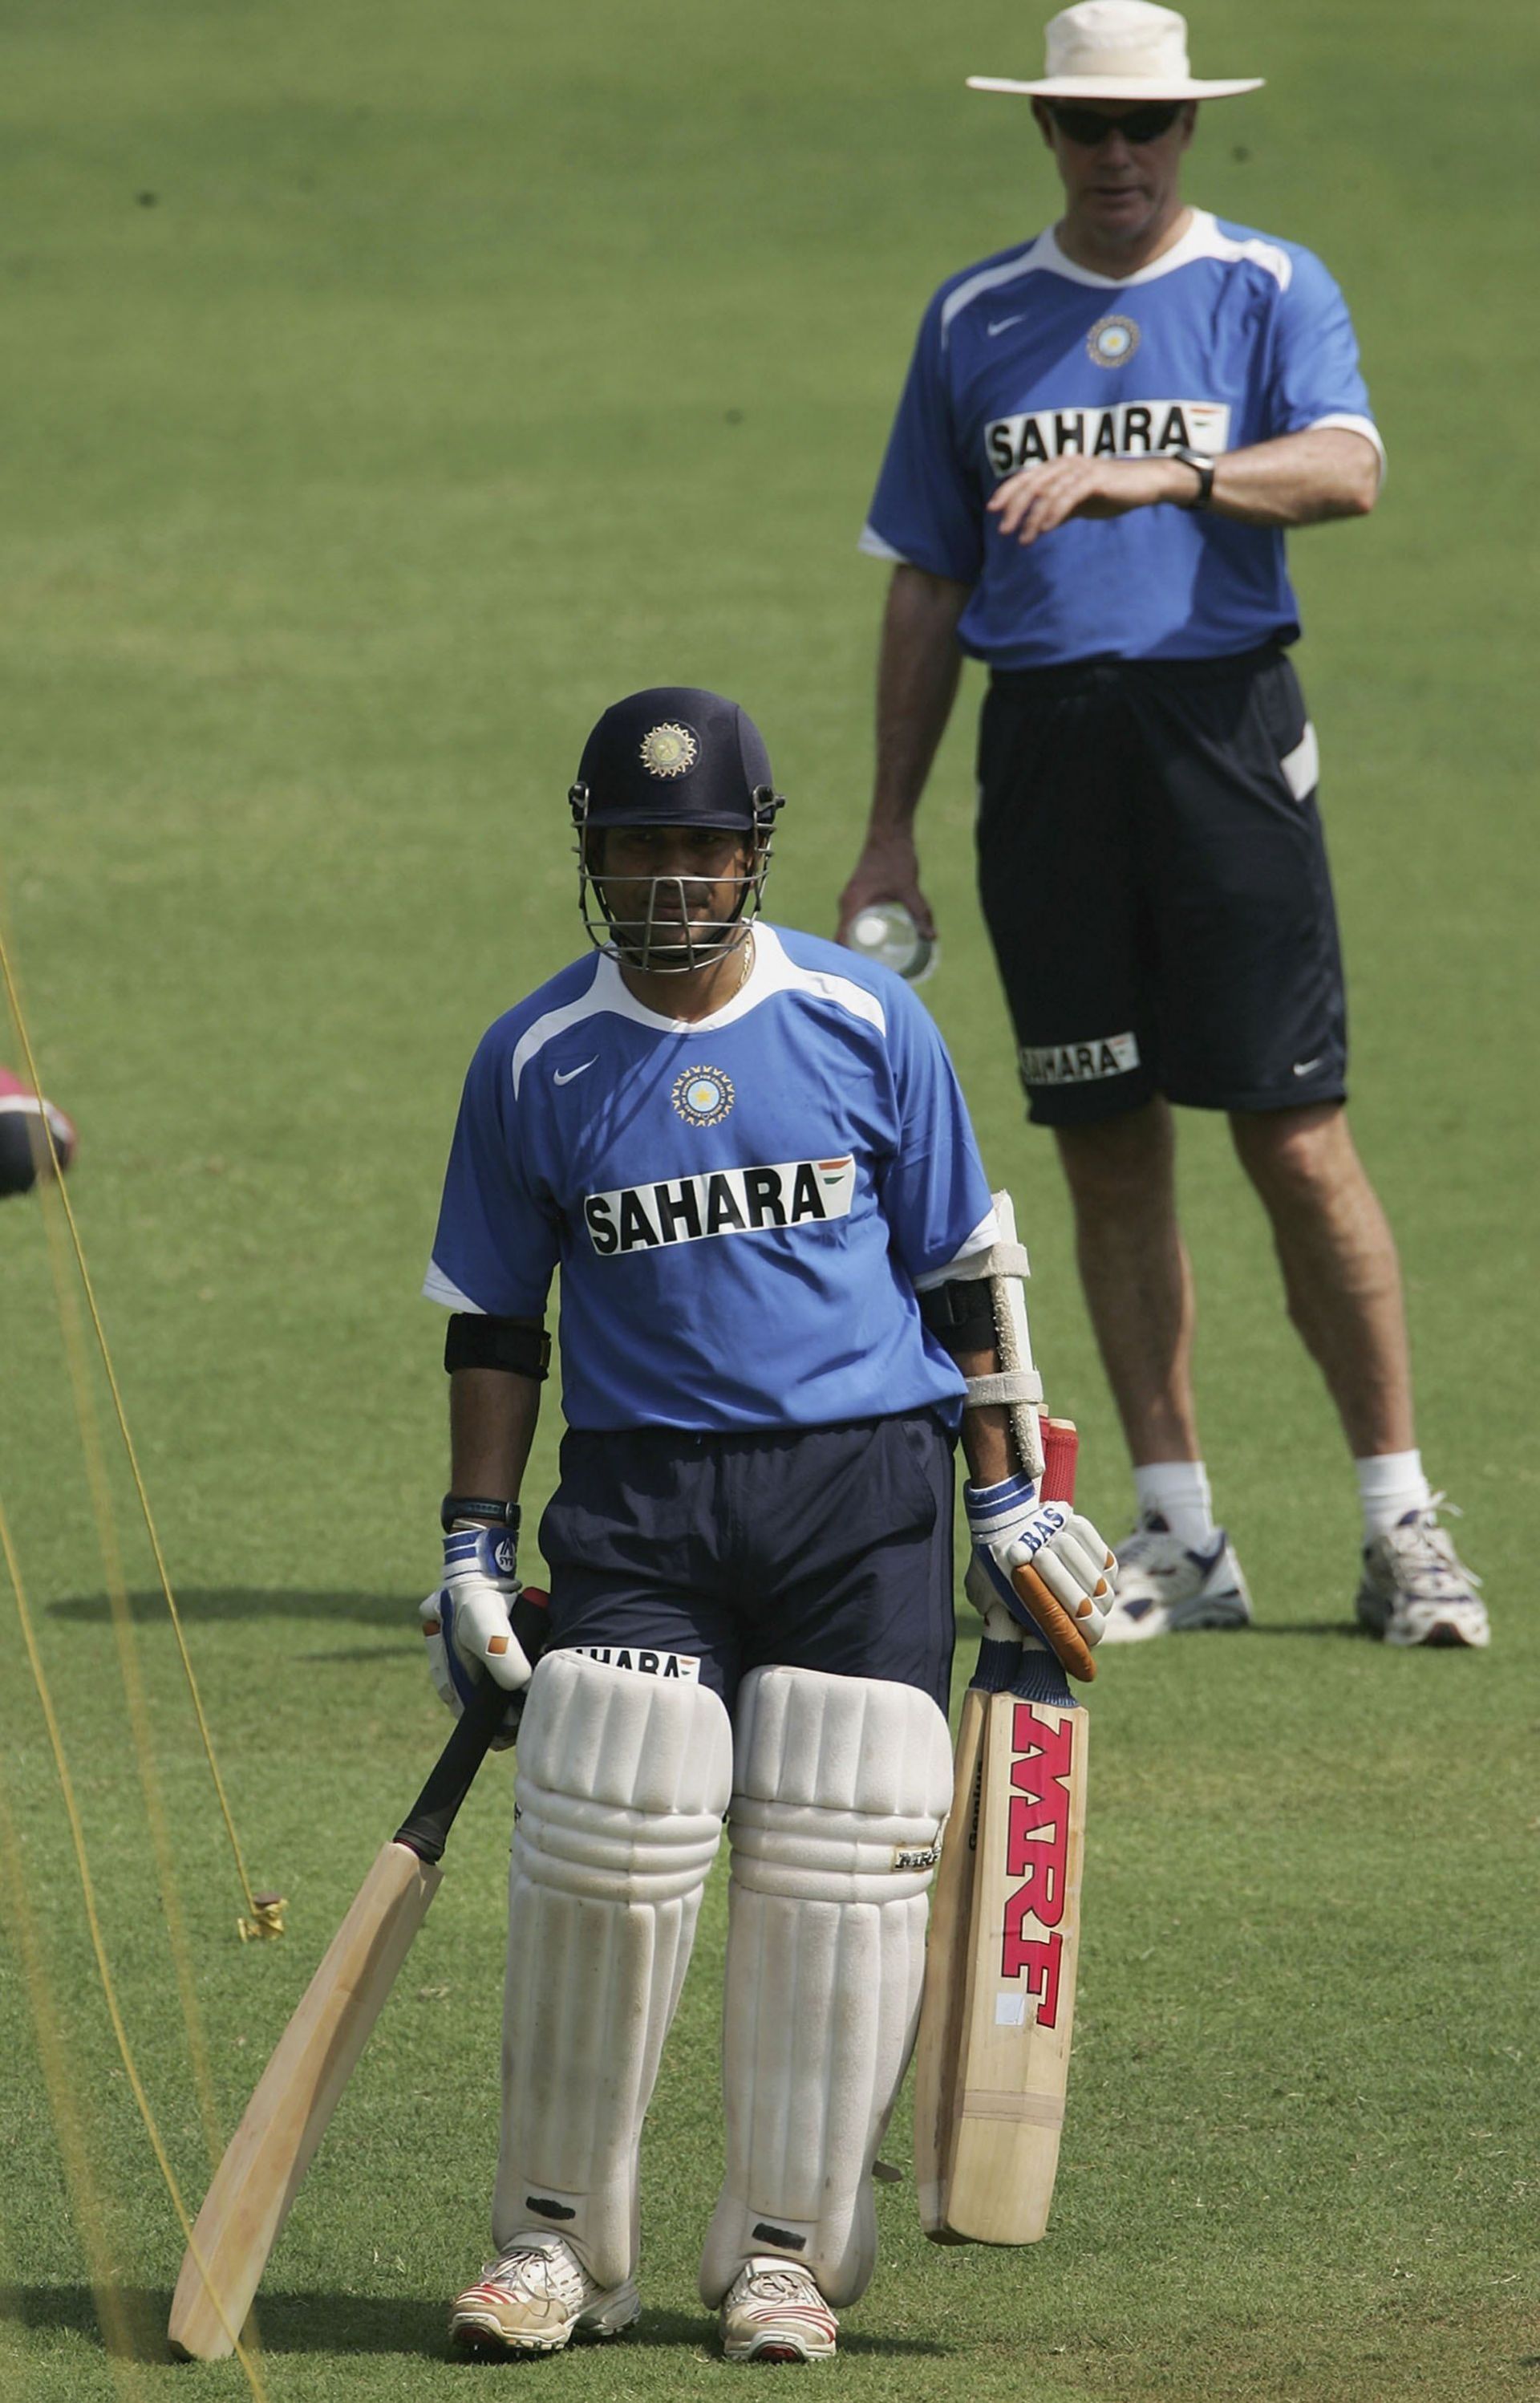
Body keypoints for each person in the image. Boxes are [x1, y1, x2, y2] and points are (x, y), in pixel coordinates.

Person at [417, 686, 1113, 2362]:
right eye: (642, 849)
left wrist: (1008, 1500)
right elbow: (498, 1323)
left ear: (755, 856)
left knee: (841, 1859)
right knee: (605, 1831)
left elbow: (970, 1271)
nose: (673, 883)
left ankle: (786, 2253)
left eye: (703, 849)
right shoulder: (535, 1057)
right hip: (645, 1494)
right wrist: (470, 1546)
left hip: (861, 1486)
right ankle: (558, 2246)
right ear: (592, 855)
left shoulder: (868, 1023)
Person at [837, 0, 1486, 1650]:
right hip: (1045, 757)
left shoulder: (1268, 284)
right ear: (1042, 135)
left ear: (1190, 130)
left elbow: (1348, 466)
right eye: (1088, 128)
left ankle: (1400, 1517)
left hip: (1221, 738)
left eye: (1150, 126)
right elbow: (930, 576)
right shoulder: (977, 314)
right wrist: (888, 830)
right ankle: (1179, 1533)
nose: (1120, 155)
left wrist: (1170, 480)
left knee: (1294, 1134)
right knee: (1108, 1144)